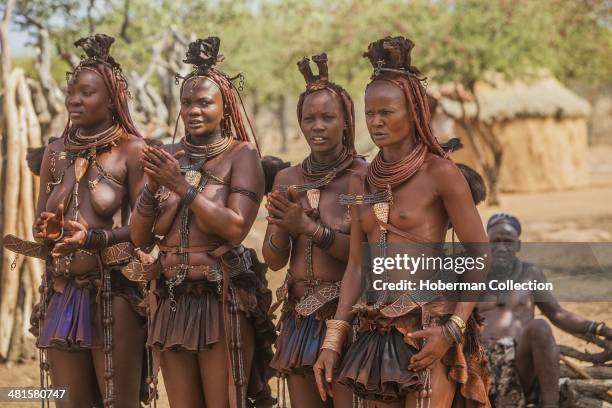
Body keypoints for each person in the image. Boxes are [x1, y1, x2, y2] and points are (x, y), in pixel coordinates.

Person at [313, 36, 491, 408]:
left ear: (414, 114)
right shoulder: (362, 179)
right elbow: (357, 266)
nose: (375, 122)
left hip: (427, 327)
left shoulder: (439, 173)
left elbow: (481, 255)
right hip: (373, 327)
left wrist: (452, 329)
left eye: (386, 113)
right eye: (369, 113)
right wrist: (334, 339)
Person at [129, 37, 276, 408]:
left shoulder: (241, 156)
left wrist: (180, 185)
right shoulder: (170, 154)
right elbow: (140, 237)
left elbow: (236, 227)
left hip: (220, 296)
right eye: (187, 102)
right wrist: (152, 185)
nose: (193, 110)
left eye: (204, 102)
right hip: (172, 298)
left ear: (224, 108)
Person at [23, 34, 147, 408]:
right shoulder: (55, 152)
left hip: (114, 292)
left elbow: (147, 231)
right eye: (71, 92)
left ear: (112, 100)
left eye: (86, 93)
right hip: (62, 290)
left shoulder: (133, 151)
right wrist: (45, 232)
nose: (74, 100)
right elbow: (39, 223)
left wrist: (95, 239)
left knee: (117, 402)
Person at [263, 53, 366, 408]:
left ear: (346, 122)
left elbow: (365, 257)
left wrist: (309, 227)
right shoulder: (287, 178)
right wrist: (284, 226)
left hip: (347, 316)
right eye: (309, 118)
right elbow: (273, 261)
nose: (317, 126)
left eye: (328, 117)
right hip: (298, 318)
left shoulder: (362, 177)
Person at [481, 213, 612, 408]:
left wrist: (601, 329)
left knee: (540, 326)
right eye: (495, 241)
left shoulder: (531, 274)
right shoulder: (471, 274)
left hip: (519, 363)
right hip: (478, 364)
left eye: (507, 241)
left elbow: (558, 314)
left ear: (518, 245)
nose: (501, 247)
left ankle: (550, 404)